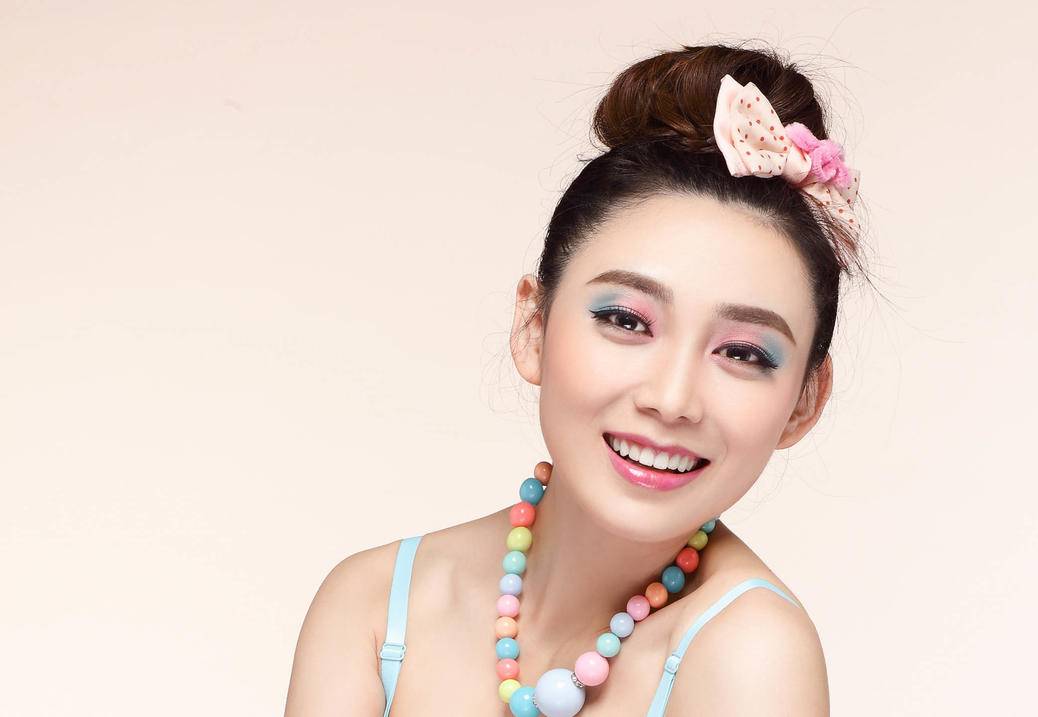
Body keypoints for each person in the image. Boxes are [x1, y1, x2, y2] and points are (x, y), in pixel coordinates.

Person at [284, 42, 870, 717]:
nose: (671, 399)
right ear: (532, 328)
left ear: (803, 403)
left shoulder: (751, 655)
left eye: (742, 353)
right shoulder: (373, 608)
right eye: (626, 320)